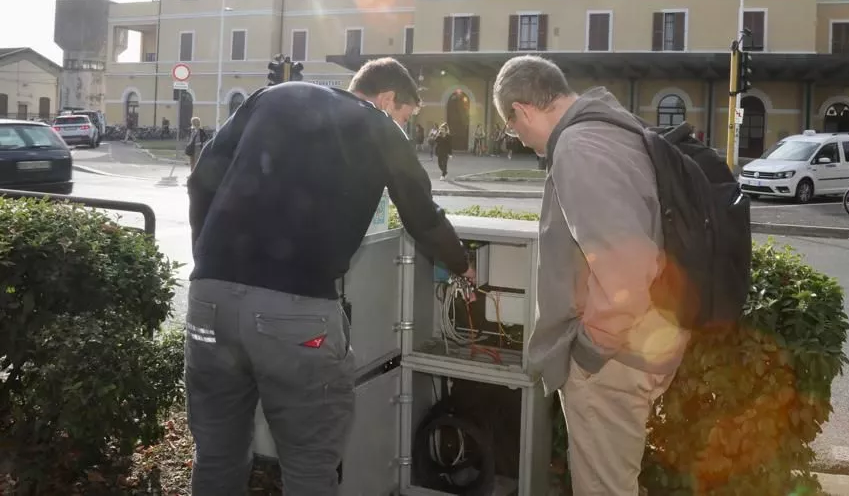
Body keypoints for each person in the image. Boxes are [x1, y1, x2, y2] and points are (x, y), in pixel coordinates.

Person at [185, 57, 472, 496]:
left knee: (217, 457)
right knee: (310, 469)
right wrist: (462, 264)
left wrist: (206, 258)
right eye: (406, 115)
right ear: (388, 98)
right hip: (297, 314)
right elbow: (422, 217)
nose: (405, 126)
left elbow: (203, 177)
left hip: (209, 304)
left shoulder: (275, 96)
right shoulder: (380, 128)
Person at [492, 55, 687, 496]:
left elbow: (627, 266)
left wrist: (589, 352)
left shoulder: (579, 148)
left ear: (521, 110)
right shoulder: (614, 128)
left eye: (511, 127)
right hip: (641, 345)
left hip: (613, 362)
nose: (518, 139)